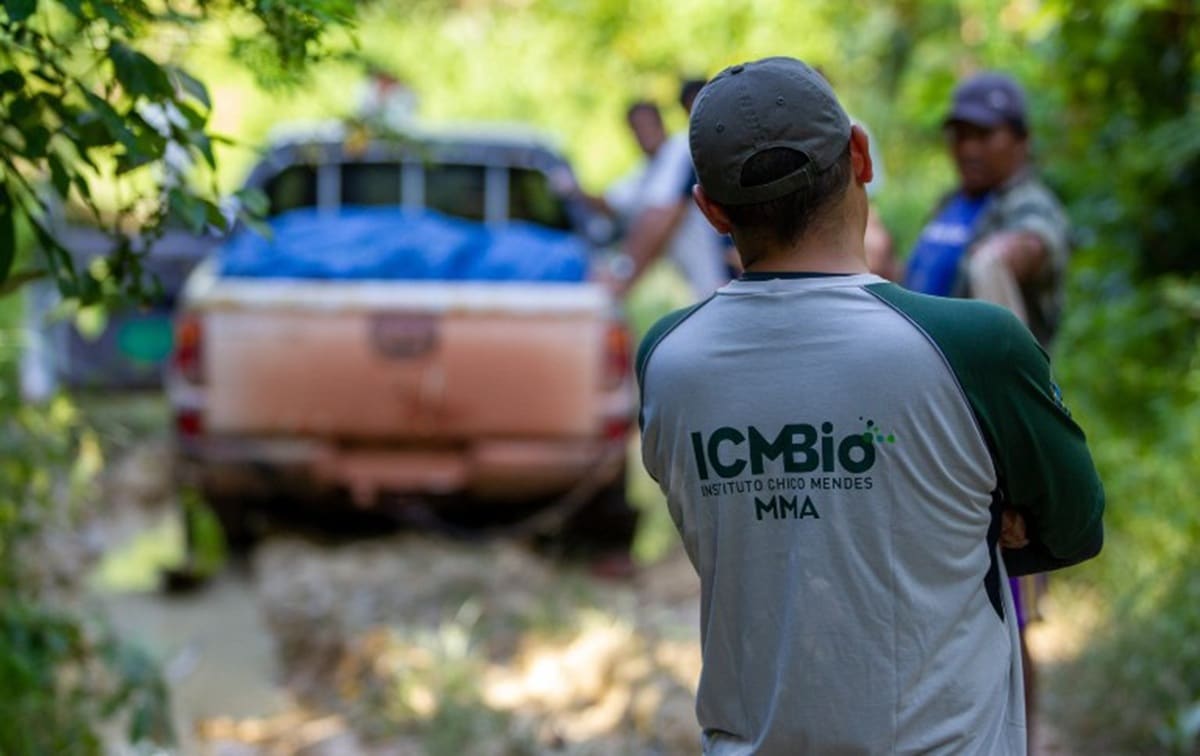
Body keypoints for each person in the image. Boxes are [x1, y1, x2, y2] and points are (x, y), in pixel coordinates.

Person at [637, 56, 1104, 754]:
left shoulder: (667, 360)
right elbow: (1074, 529)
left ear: (708, 208)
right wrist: (963, 517)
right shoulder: (975, 346)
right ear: (860, 156)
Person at [904, 70, 1073, 741]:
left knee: (1011, 609)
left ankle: (1020, 743)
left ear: (1021, 141)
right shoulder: (951, 206)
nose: (968, 147)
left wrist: (1002, 259)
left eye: (984, 134)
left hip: (1001, 447)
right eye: (958, 133)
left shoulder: (1026, 207)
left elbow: (1033, 246)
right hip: (933, 437)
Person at [612, 78, 732, 299]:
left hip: (731, 276)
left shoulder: (683, 151)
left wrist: (621, 280)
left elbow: (662, 216)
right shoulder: (665, 164)